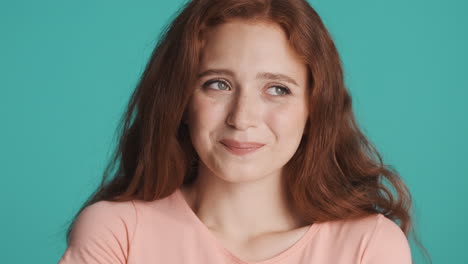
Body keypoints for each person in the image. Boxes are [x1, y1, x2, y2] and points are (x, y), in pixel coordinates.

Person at [58, 0, 422, 263]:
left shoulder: (368, 244)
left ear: (314, 109)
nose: (242, 117)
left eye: (277, 89)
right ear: (181, 101)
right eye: (218, 84)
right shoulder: (117, 232)